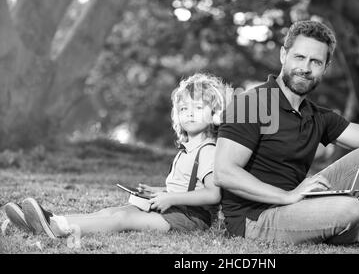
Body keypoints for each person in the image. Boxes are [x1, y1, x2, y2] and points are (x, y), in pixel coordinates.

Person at [213, 20, 359, 253]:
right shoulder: (250, 104)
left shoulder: (317, 115)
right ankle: (346, 231)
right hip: (255, 219)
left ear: (325, 67)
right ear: (283, 55)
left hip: (296, 206)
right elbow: (225, 172)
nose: (305, 68)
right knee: (349, 210)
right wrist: (287, 196)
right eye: (299, 57)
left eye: (315, 61)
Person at [4, 73, 228, 239]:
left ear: (215, 114)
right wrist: (160, 192)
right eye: (183, 108)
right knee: (111, 211)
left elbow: (212, 194)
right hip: (174, 208)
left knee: (123, 219)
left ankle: (53, 228)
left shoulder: (208, 150)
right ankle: (50, 220)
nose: (189, 113)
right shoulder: (187, 149)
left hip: (190, 219)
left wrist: (170, 198)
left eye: (197, 108)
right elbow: (186, 187)